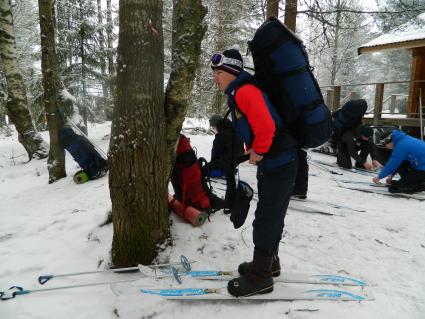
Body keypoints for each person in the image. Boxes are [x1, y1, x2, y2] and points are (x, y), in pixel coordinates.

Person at [211, 48, 298, 297]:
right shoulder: (240, 91)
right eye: (214, 73)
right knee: (272, 214)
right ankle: (270, 262)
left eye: (218, 72)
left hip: (280, 161)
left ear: (231, 72)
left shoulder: (245, 91)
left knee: (266, 218)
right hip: (280, 160)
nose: (215, 77)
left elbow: (266, 127)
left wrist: (258, 150)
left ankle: (261, 277)